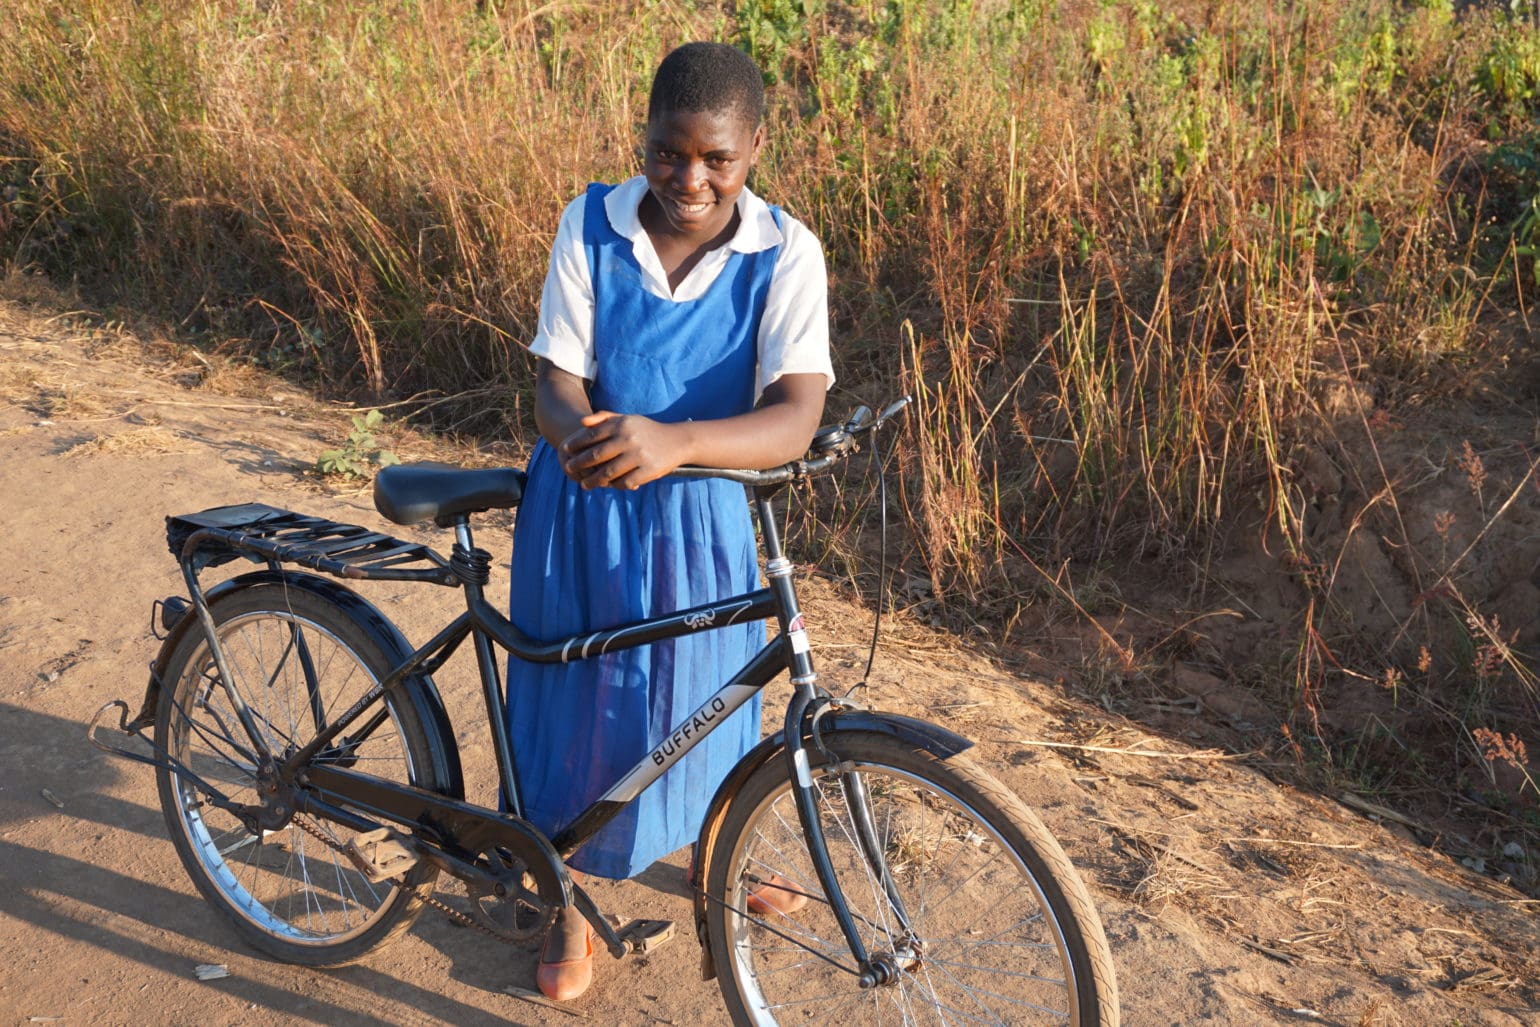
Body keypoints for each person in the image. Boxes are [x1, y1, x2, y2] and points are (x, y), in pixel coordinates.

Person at [504, 41, 834, 1002]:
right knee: (581, 705)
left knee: (709, 697)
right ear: (641, 141)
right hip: (587, 508)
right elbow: (555, 384)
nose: (691, 179)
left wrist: (678, 444)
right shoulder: (591, 223)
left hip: (701, 514)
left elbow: (796, 416)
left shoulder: (785, 252)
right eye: (667, 154)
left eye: (717, 159)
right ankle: (565, 894)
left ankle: (713, 852)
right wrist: (586, 440)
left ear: (755, 150)